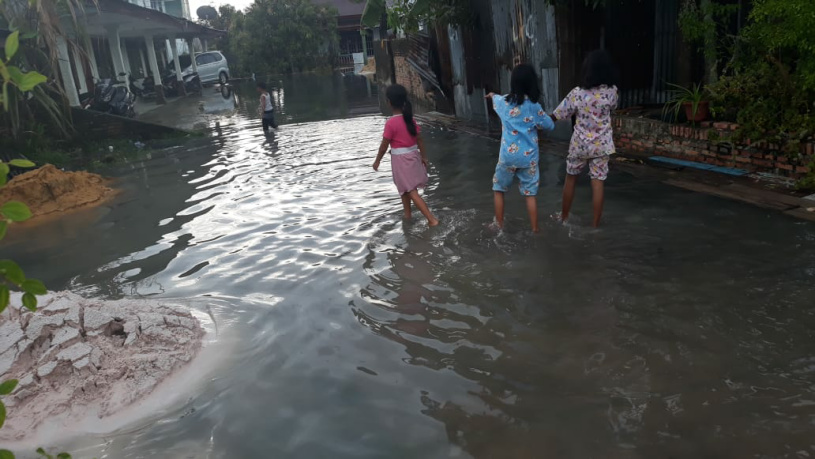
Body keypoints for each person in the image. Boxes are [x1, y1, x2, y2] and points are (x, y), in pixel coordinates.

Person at [550, 50, 619, 227]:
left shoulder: (577, 93)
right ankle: (595, 225)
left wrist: (542, 122)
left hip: (579, 145)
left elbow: (558, 114)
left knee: (570, 179)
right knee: (598, 183)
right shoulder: (612, 92)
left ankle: (563, 217)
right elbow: (613, 108)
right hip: (601, 146)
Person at [486, 63, 555, 233]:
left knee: (498, 189)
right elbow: (549, 126)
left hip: (507, 157)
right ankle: (535, 229)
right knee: (530, 194)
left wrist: (492, 95)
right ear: (532, 83)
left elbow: (496, 98)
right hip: (528, 158)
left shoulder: (504, 102)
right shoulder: (534, 106)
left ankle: (498, 225)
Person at [373, 84, 439, 227]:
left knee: (410, 190)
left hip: (401, 161)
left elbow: (384, 145)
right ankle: (407, 216)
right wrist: (424, 157)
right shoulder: (410, 120)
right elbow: (419, 140)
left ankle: (432, 220)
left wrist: (377, 161)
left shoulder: (391, 123)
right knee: (404, 188)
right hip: (413, 156)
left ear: (389, 102)